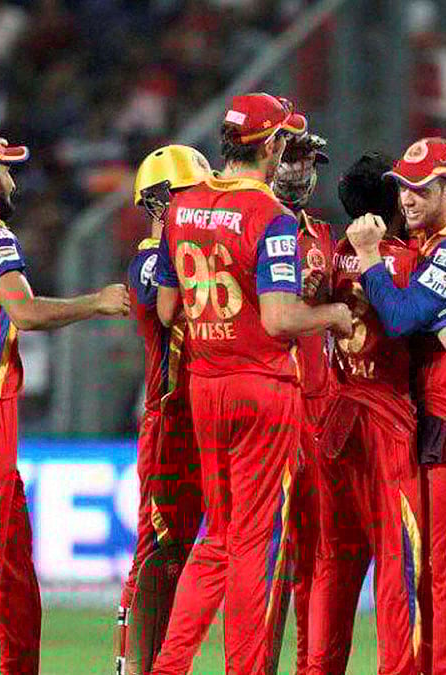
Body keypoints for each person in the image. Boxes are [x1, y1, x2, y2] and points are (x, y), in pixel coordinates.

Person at [150, 93, 353, 675]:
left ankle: (168, 666)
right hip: (263, 388)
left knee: (217, 537)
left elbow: (166, 309)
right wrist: (333, 315)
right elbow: (281, 319)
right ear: (270, 145)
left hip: (204, 385)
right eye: (284, 142)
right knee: (253, 544)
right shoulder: (272, 217)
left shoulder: (183, 205)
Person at [0, 133, 129, 674]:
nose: (13, 181)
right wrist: (97, 302)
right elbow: (26, 313)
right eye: (7, 170)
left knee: (10, 549)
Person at [308, 152, 446, 675]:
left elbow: (429, 329)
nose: (409, 197)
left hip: (423, 420)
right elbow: (444, 335)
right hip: (404, 421)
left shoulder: (343, 252)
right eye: (403, 187)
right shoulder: (411, 258)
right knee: (411, 562)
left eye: (421, 188)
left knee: (404, 564)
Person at [115, 144, 214, 675]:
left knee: (180, 550)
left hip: (200, 419)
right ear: (160, 202)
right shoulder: (151, 262)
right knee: (158, 550)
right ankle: (132, 666)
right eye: (191, 194)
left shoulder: (181, 253)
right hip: (169, 422)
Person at [270, 128, 336, 674]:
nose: (301, 170)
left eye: (310, 160)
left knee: (316, 552)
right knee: (267, 556)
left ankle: (309, 667)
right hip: (268, 405)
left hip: (320, 411)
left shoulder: (325, 237)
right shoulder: (248, 226)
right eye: (293, 157)